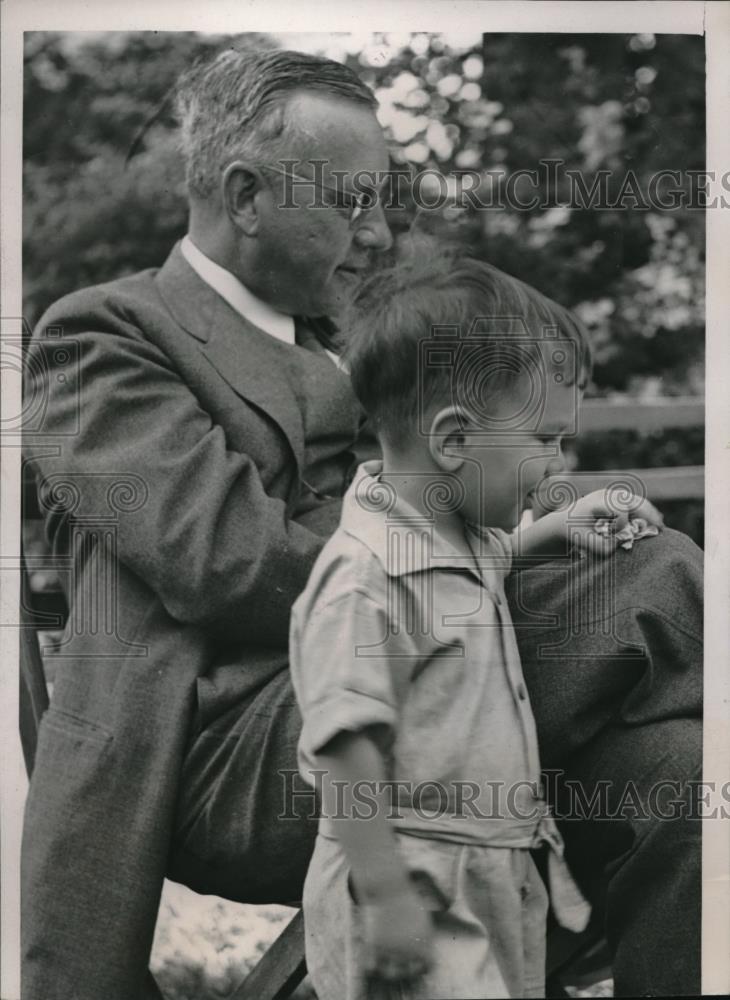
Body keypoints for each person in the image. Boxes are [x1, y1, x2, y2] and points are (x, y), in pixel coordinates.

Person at [21, 46, 702, 1000]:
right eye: (350, 202)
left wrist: (560, 512)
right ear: (246, 195)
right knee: (654, 577)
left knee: (687, 782)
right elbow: (231, 561)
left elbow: (464, 468)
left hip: (447, 699)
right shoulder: (102, 338)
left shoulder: (359, 336)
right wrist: (486, 542)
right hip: (258, 743)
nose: (379, 233)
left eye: (382, 200)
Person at [290, 253, 667, 999]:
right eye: (545, 441)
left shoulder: (448, 534)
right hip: (410, 880)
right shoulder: (364, 581)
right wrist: (388, 893)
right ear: (454, 440)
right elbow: (343, 748)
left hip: (490, 872)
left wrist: (557, 526)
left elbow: (476, 574)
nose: (559, 462)